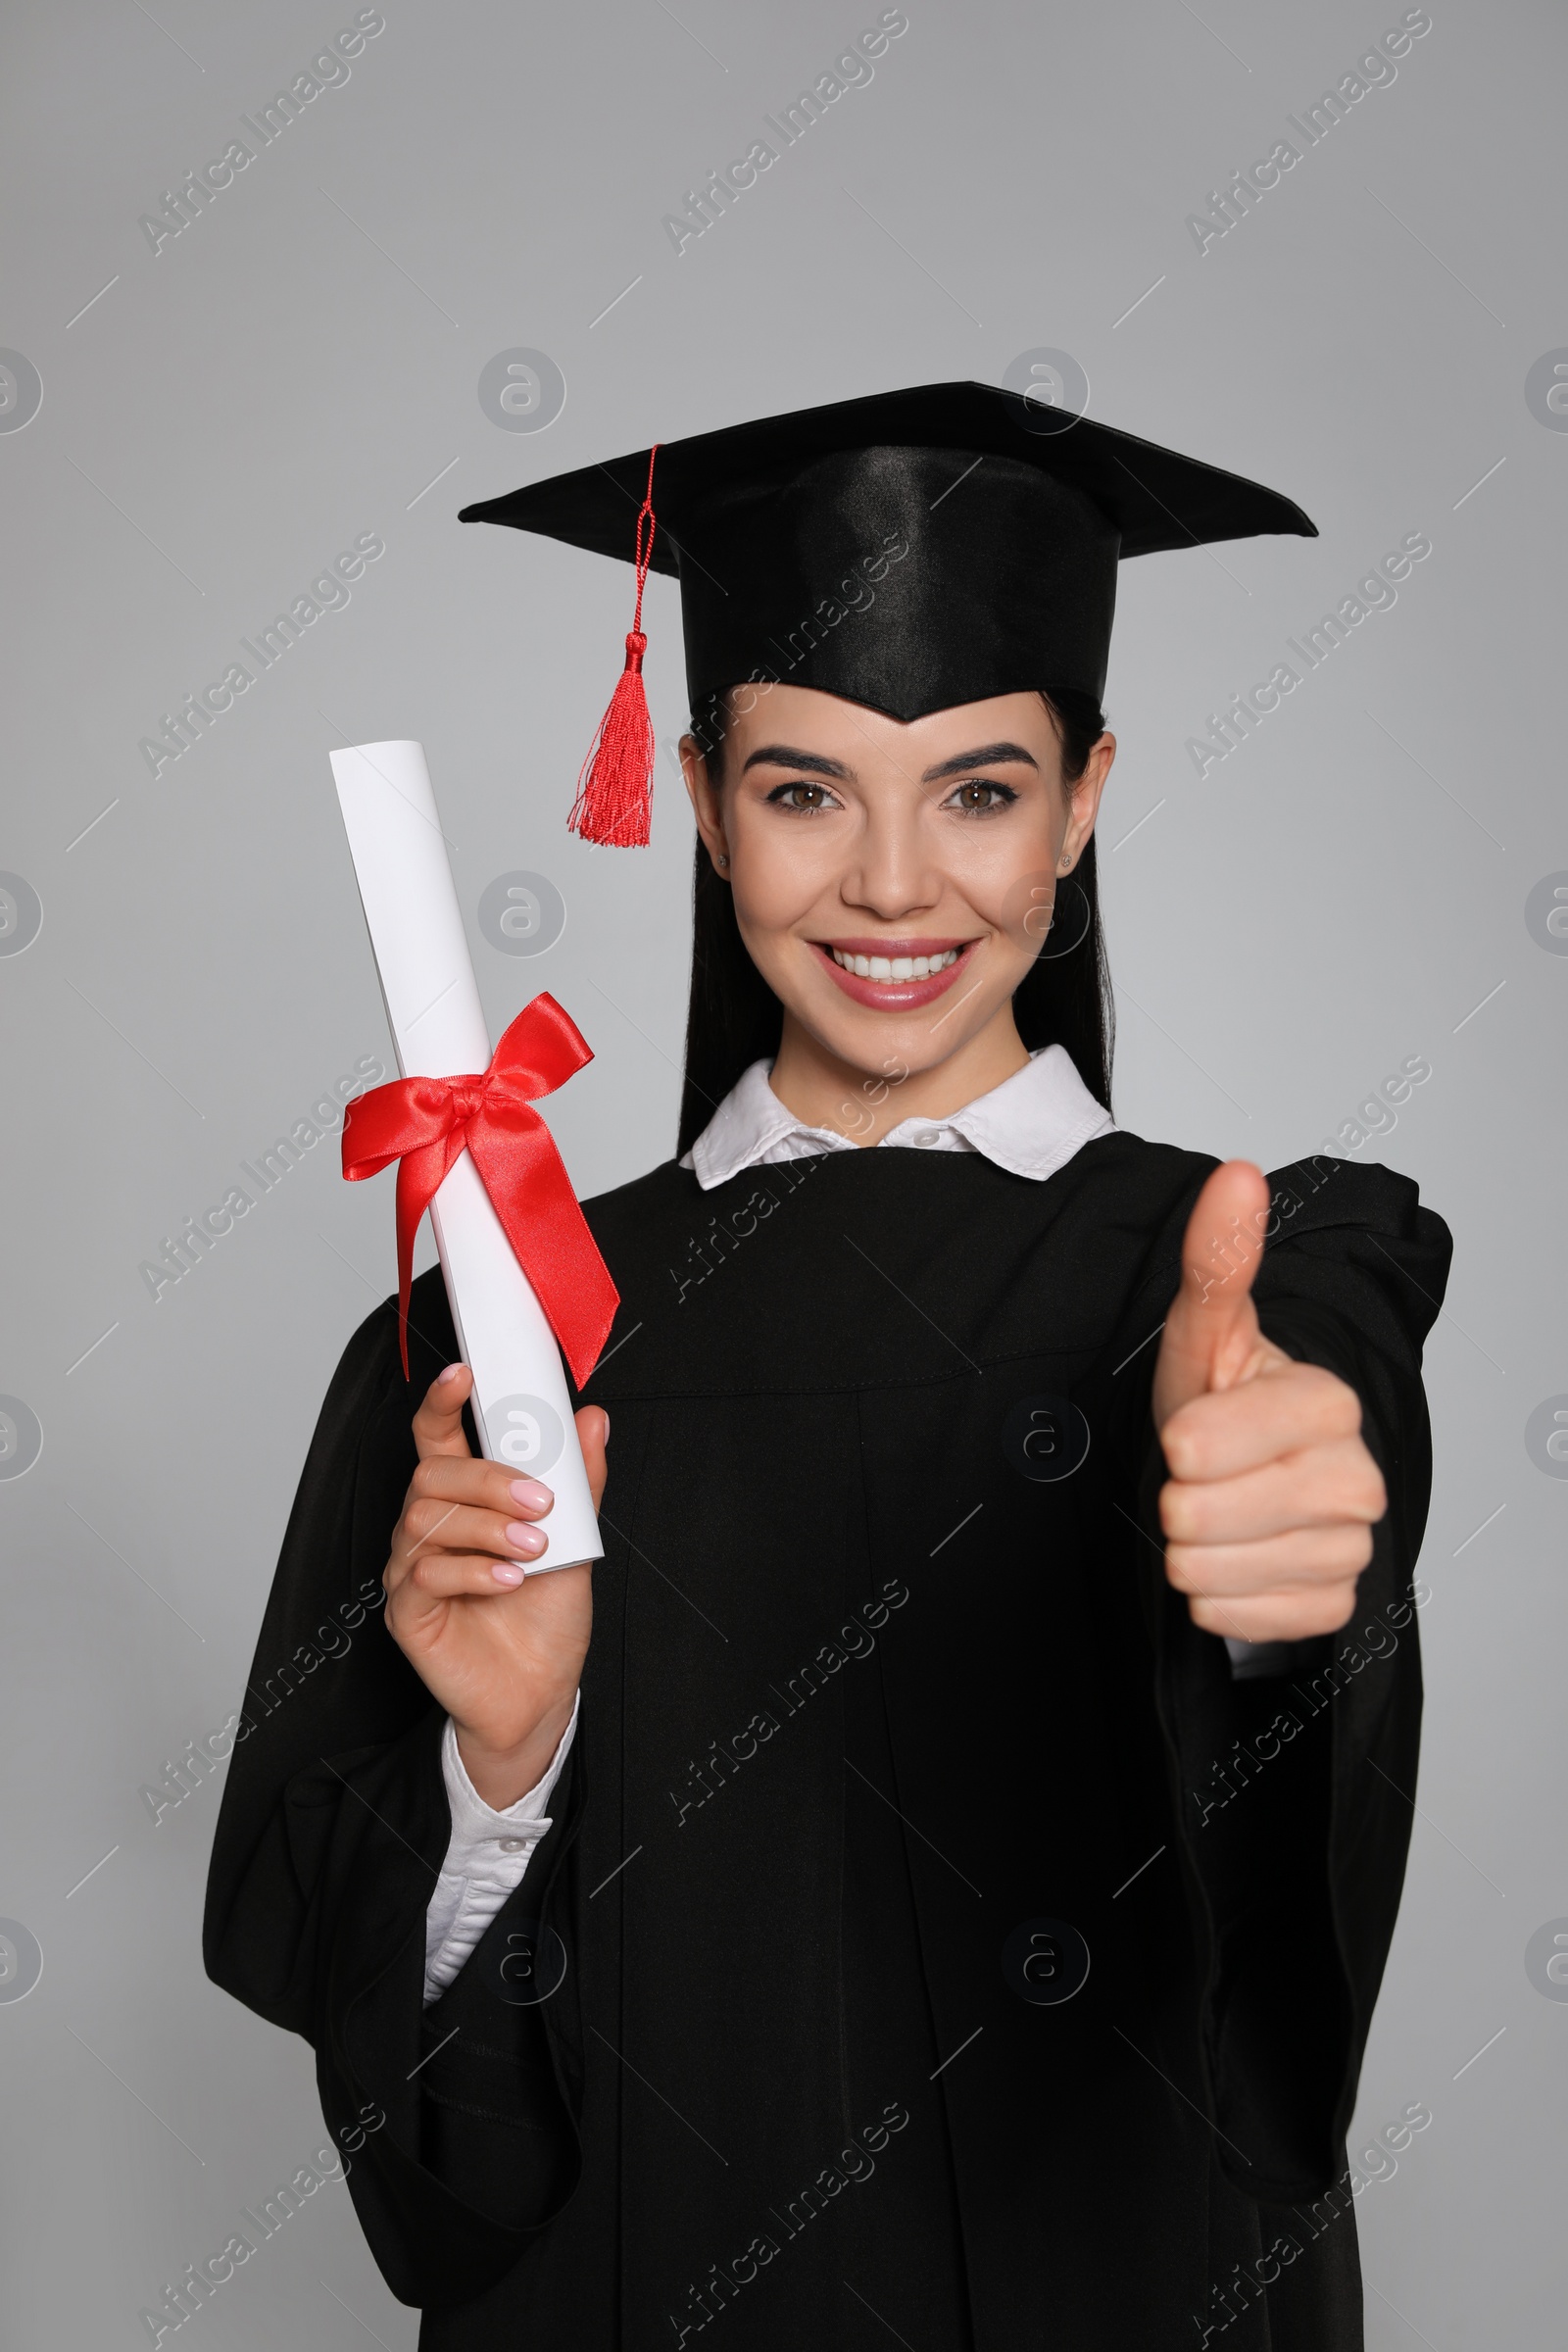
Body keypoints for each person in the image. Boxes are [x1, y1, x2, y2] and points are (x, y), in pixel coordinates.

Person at [205, 383, 1450, 2351]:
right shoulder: (499, 1327)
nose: (889, 886)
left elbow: (1319, 1429)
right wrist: (495, 1776)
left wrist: (1289, 1608)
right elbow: (399, 2050)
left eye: (974, 789)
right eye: (802, 792)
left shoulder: (1237, 1275)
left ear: (1082, 798)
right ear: (702, 803)